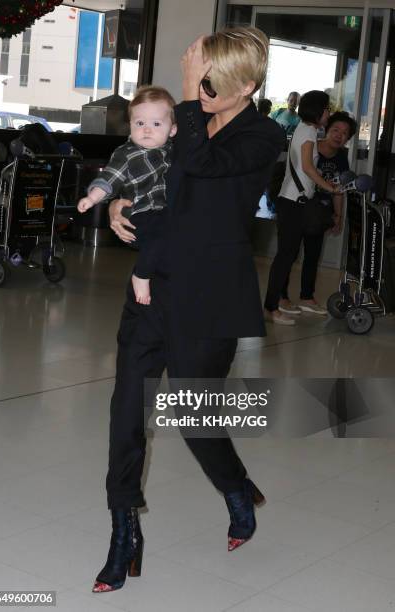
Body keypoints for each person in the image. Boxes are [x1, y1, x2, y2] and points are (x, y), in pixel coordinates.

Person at [92, 27, 285, 594]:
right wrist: (118, 205)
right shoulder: (180, 125)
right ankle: (123, 530)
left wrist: (184, 92)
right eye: (199, 79)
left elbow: (201, 166)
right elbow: (144, 172)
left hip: (211, 297)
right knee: (126, 409)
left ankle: (234, 485)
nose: (201, 90)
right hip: (153, 289)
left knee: (195, 419)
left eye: (212, 83)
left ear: (246, 85)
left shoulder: (261, 136)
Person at [77, 86, 177, 305]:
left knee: (167, 233)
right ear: (130, 126)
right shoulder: (128, 154)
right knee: (161, 234)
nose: (147, 130)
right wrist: (92, 198)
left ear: (172, 130)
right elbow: (110, 178)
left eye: (156, 124)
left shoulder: (170, 151)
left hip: (161, 211)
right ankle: (141, 275)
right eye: (140, 123)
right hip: (139, 213)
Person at [264, 90, 340, 325]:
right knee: (285, 257)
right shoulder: (307, 130)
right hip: (292, 203)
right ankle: (271, 307)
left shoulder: (305, 129)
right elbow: (307, 167)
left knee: (287, 256)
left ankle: (277, 303)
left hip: (292, 201)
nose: (328, 113)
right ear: (317, 110)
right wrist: (329, 187)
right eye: (326, 108)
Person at [278, 111, 357, 317]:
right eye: (336, 130)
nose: (339, 135)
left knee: (312, 255)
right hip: (298, 205)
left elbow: (339, 190)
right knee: (289, 253)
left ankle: (307, 297)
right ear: (327, 130)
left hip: (319, 213)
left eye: (345, 133)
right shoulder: (311, 146)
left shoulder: (342, 157)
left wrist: (338, 216)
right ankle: (281, 297)